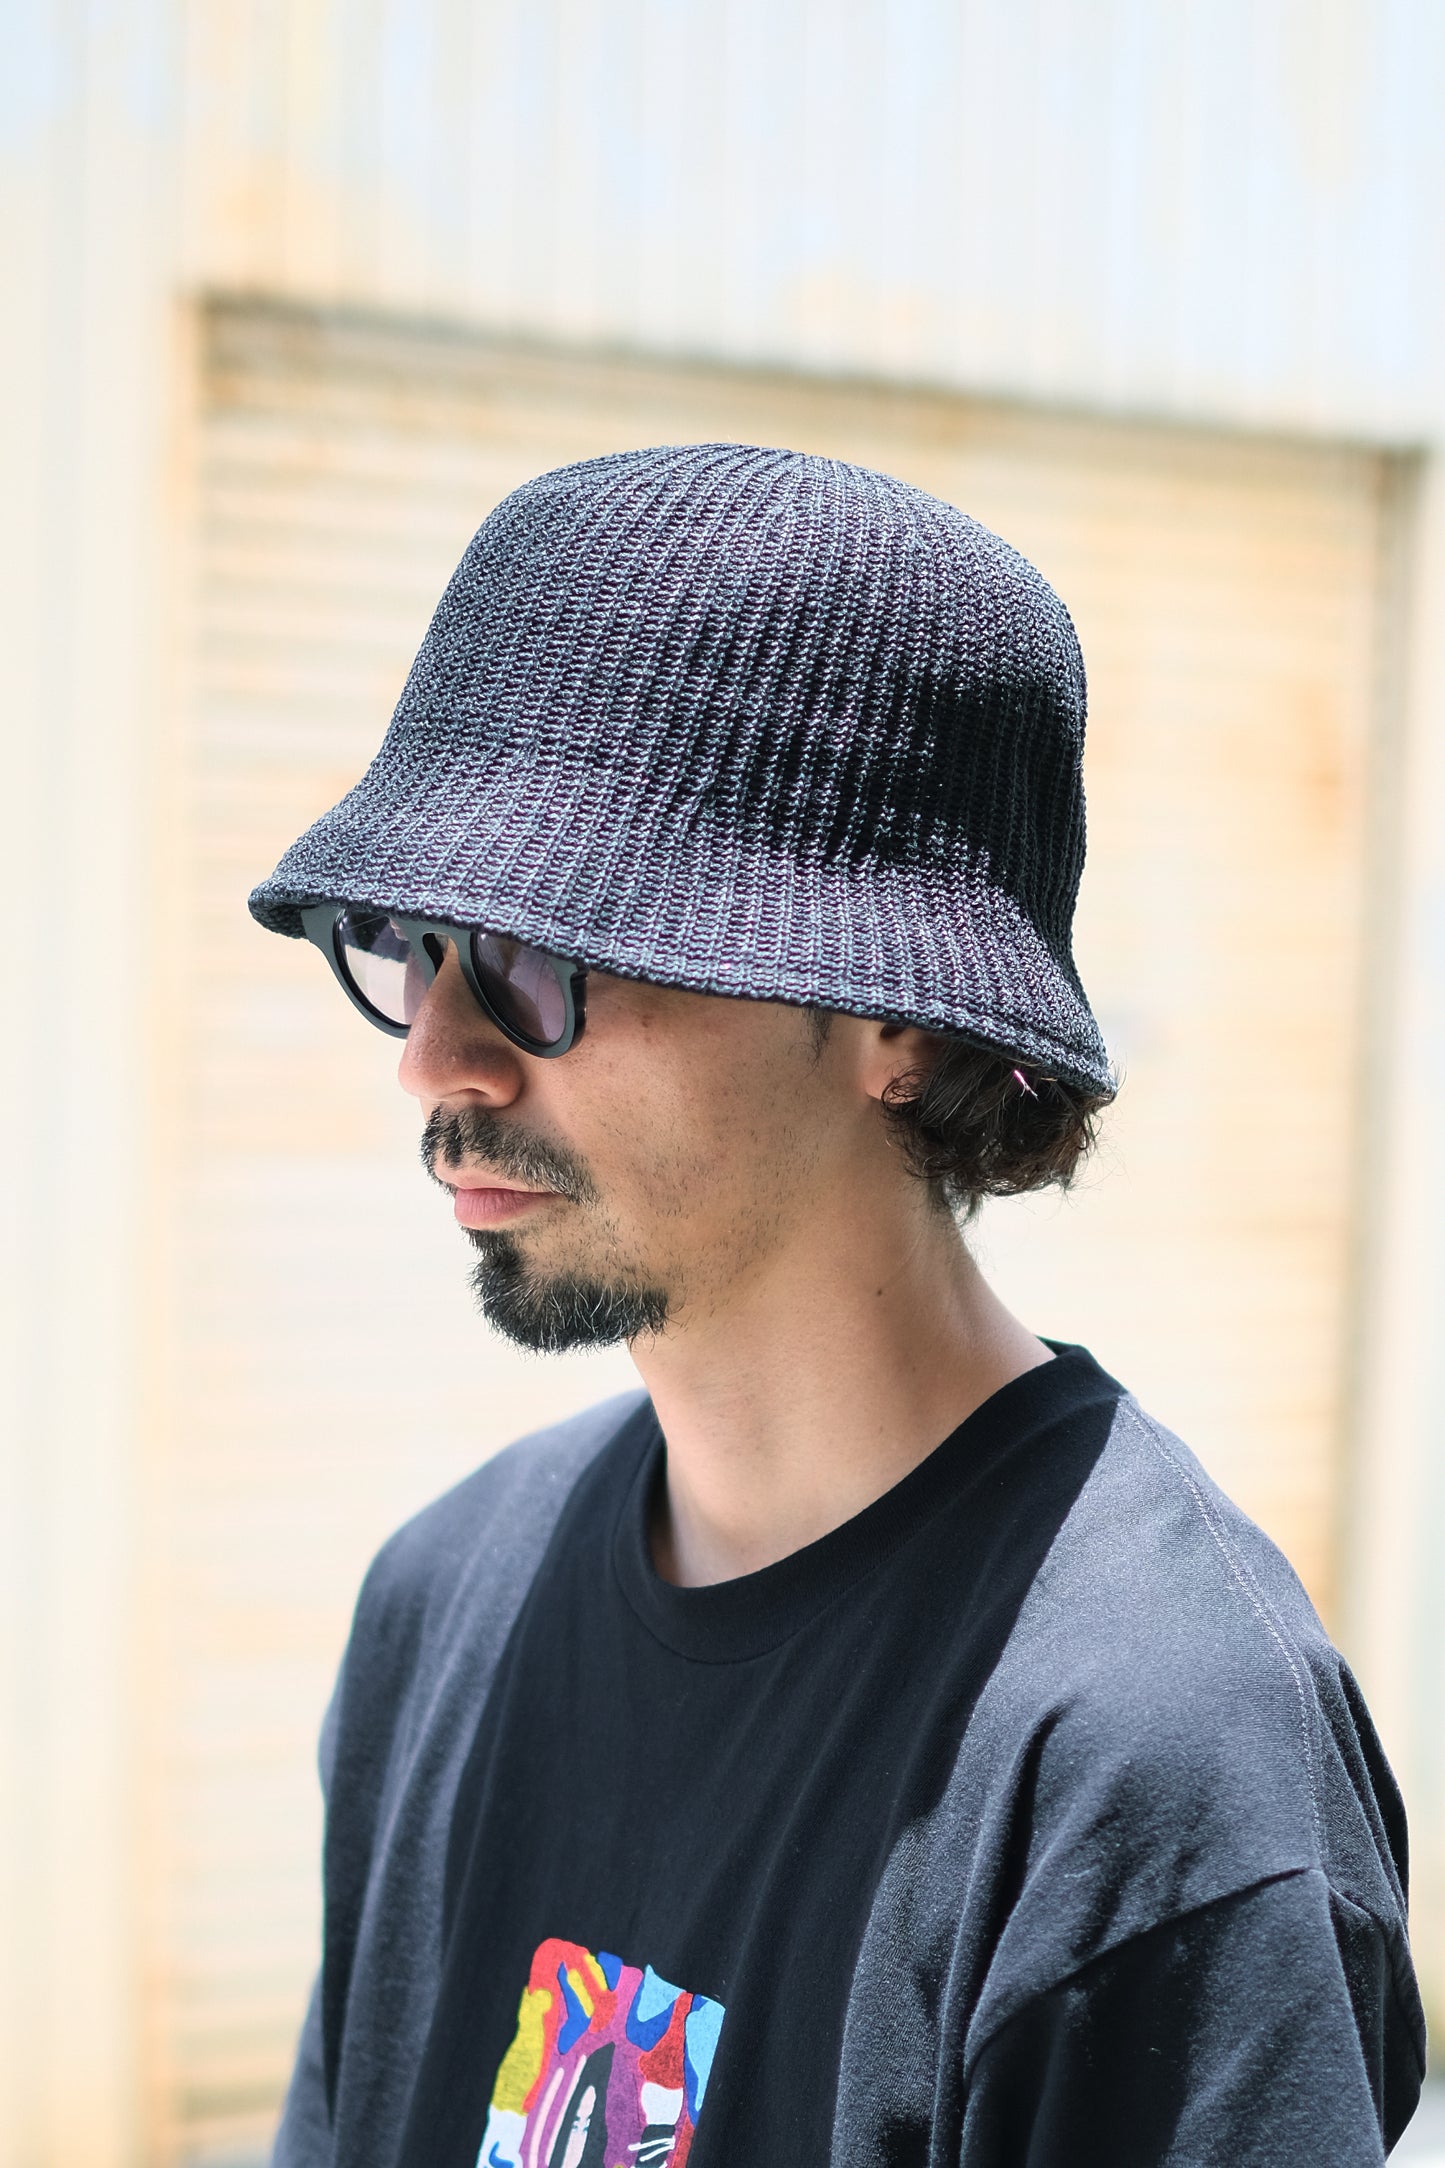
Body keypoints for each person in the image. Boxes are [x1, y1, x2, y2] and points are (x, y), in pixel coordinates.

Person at [249, 442, 1424, 2168]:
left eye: (537, 960)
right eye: (408, 943)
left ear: (901, 1024)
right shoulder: (447, 1600)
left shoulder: (1148, 1754)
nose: (437, 1055)